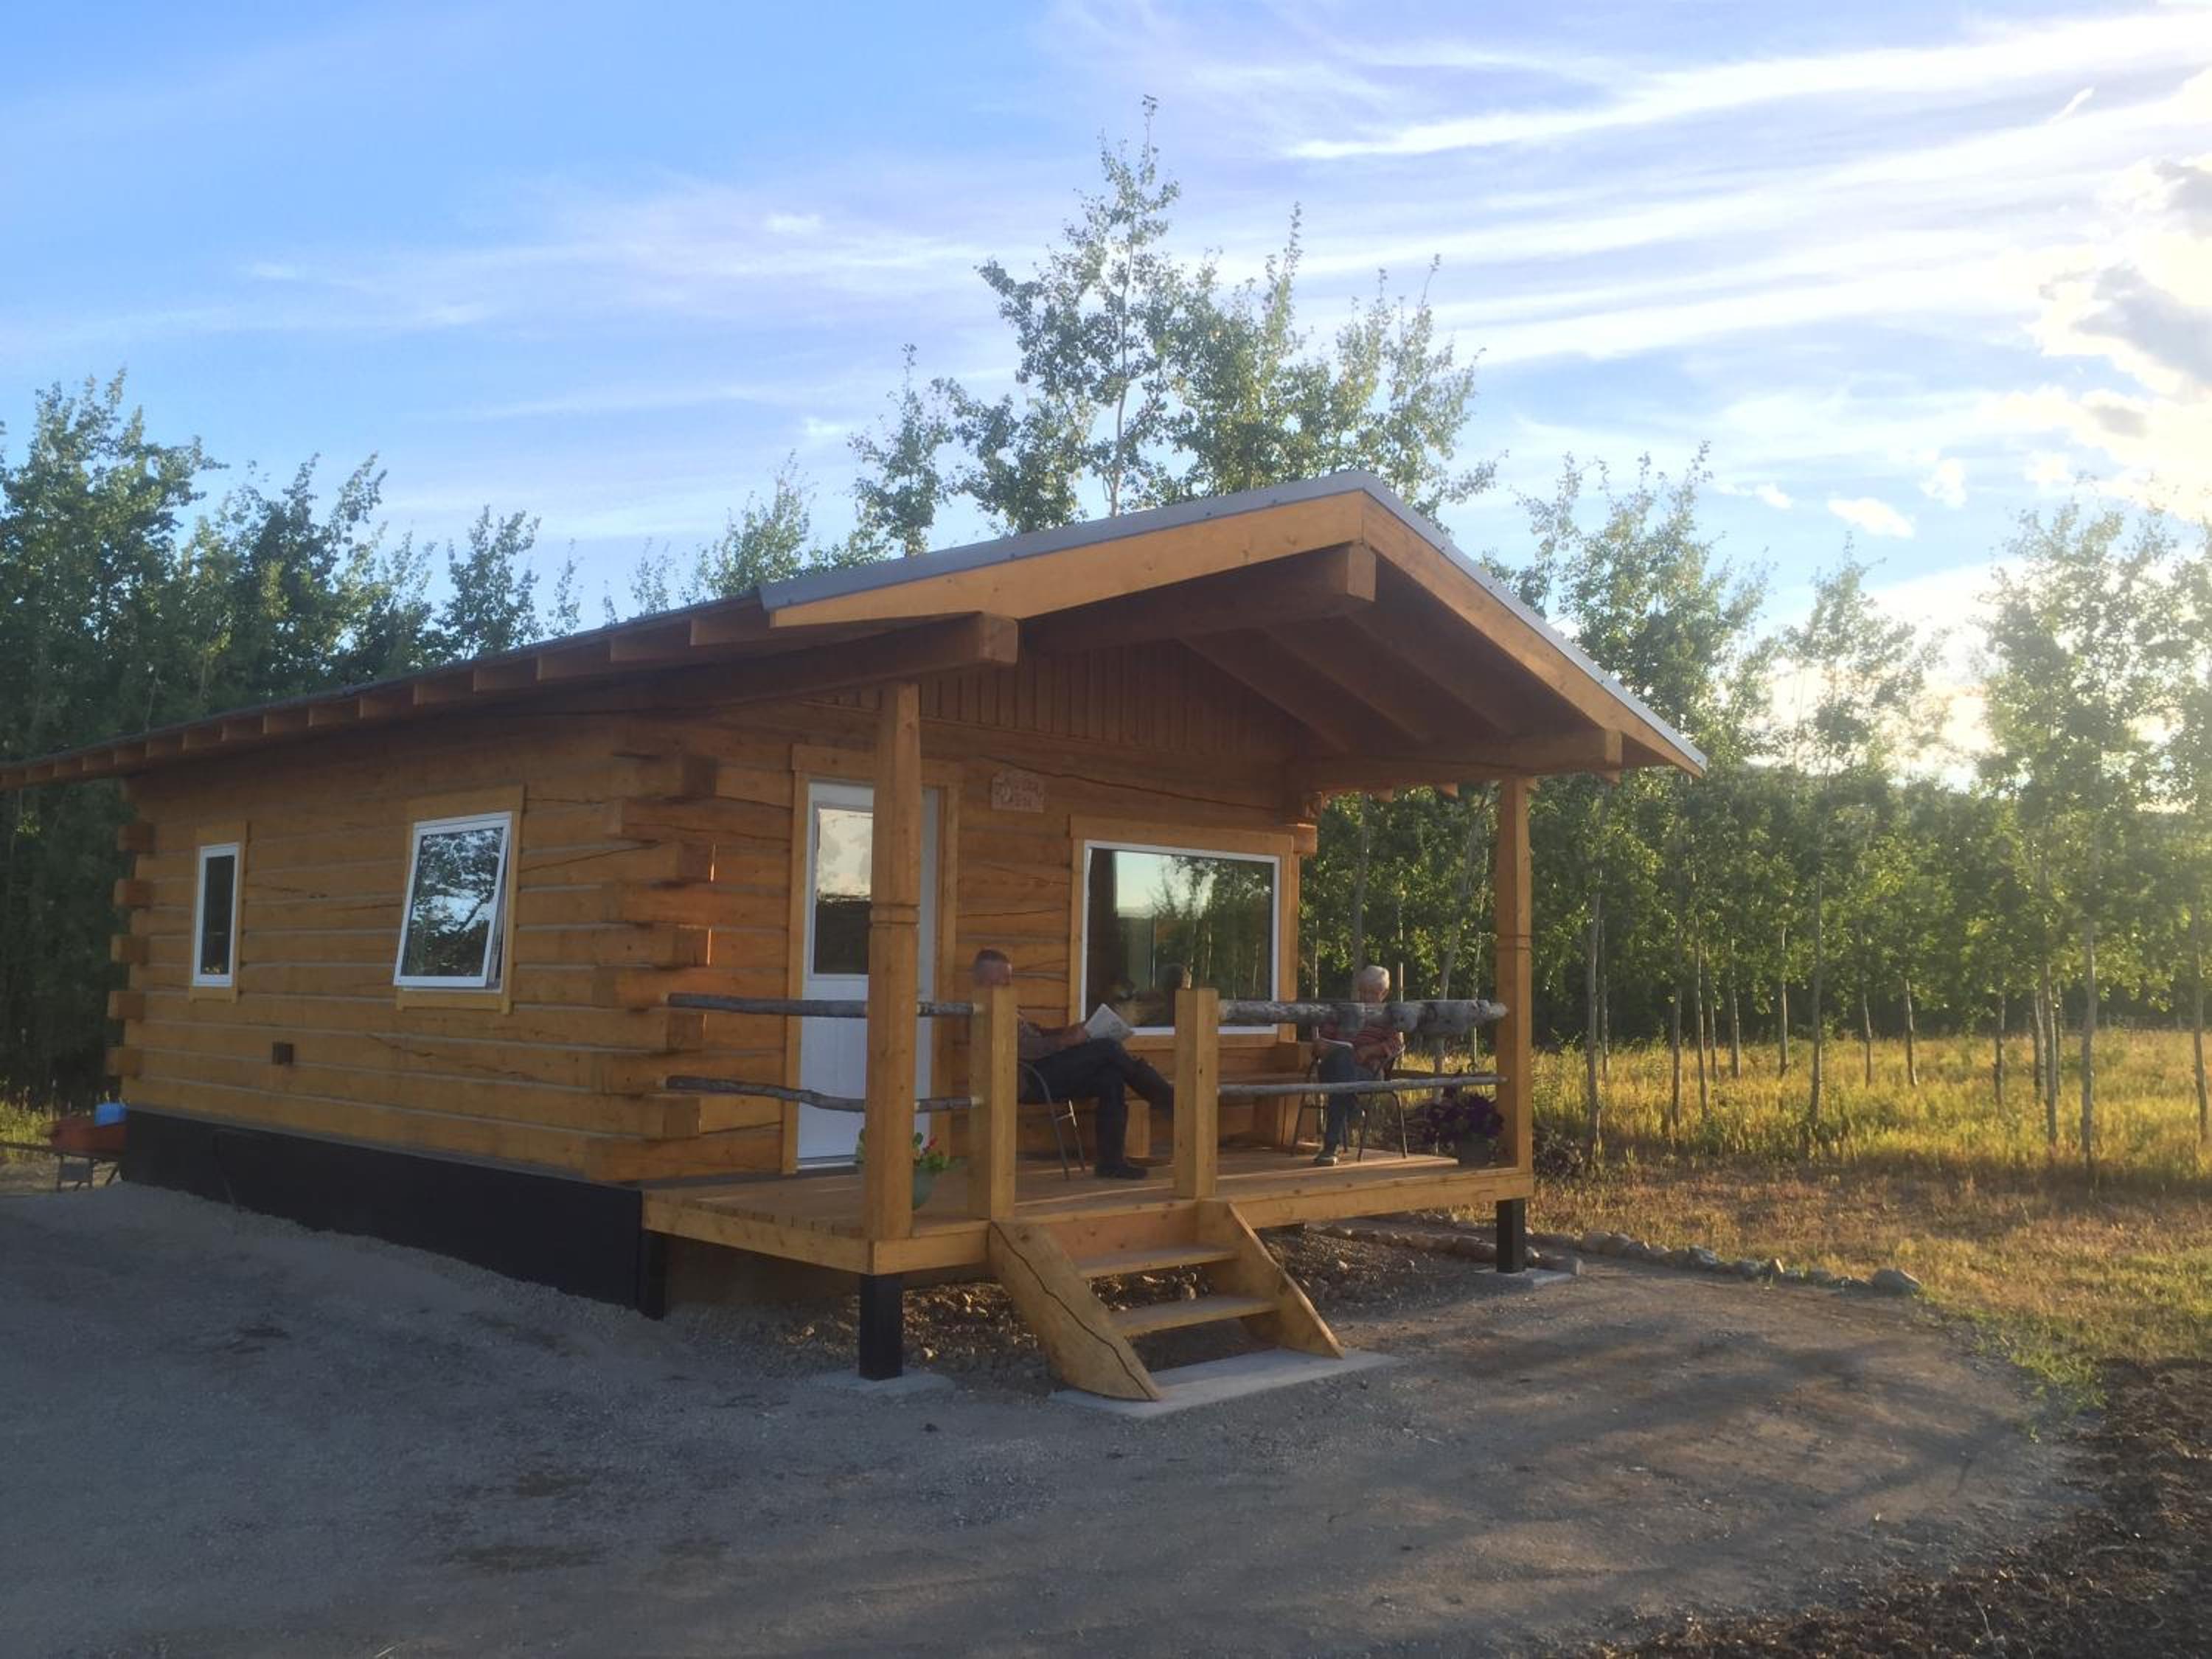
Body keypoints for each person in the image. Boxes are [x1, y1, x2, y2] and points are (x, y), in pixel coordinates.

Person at [970, 947, 1175, 1180]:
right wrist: (1063, 1041)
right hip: (1029, 1080)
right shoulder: (982, 1013)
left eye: (1010, 979)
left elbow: (1035, 1036)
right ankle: (1168, 1101)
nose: (1009, 985)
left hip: (1044, 1071)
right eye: (1002, 981)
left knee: (1111, 1076)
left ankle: (1111, 1163)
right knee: (1108, 1048)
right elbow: (1019, 1048)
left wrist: (1071, 1031)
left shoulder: (1005, 1006)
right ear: (983, 981)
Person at [1311, 964, 1403, 1166]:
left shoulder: (1389, 1017)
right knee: (1342, 1059)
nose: (1365, 997)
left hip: (1368, 1072)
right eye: (1362, 991)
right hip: (1334, 1068)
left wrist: (1369, 1051)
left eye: (1372, 993)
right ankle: (1352, 1105)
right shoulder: (1346, 1012)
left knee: (1340, 1087)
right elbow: (1321, 1044)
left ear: (1384, 993)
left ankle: (1330, 1148)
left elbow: (1396, 1044)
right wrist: (1323, 1046)